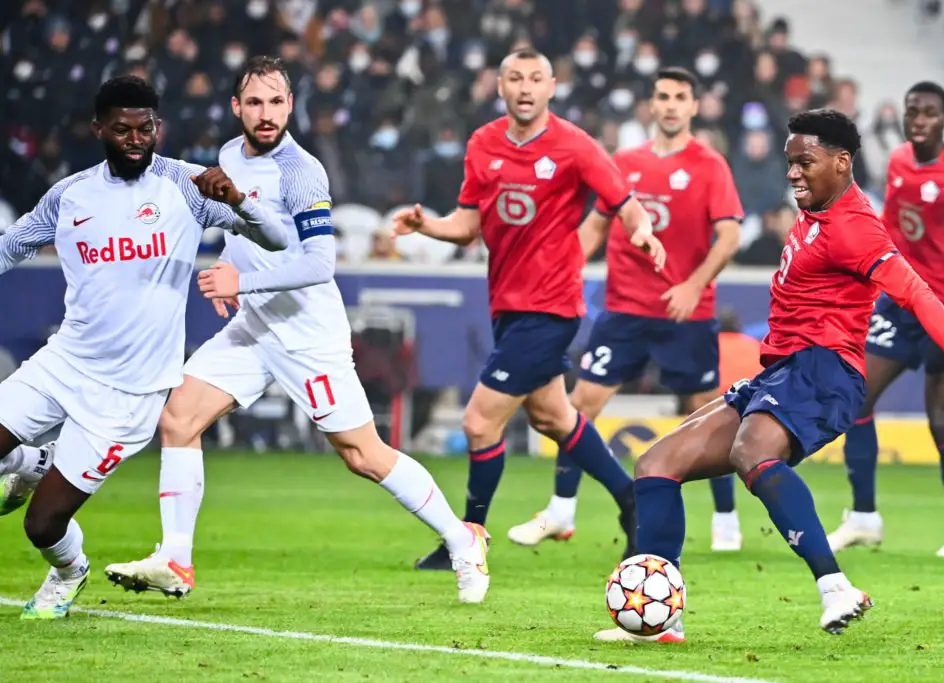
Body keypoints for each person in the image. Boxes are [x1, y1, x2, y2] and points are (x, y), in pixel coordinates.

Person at [593, 108, 944, 643]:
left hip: (824, 370)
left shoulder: (856, 227)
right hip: (782, 371)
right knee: (655, 465)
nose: (793, 173)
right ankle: (661, 618)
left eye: (805, 162)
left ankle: (835, 587)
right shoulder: (814, 210)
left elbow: (918, 294)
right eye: (790, 162)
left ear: (842, 162)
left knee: (752, 451)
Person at [100, 57, 490, 604]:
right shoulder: (229, 156)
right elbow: (244, 227)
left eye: (276, 102)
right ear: (236, 107)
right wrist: (233, 271)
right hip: (255, 328)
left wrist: (242, 281)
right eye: (254, 102)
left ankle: (462, 538)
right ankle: (175, 560)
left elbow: (320, 263)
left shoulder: (302, 171)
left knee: (362, 455)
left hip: (307, 334)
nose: (266, 113)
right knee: (179, 418)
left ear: (290, 106)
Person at [0, 74, 294, 619]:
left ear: (157, 127)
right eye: (122, 130)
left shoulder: (189, 186)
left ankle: (69, 570)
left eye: (145, 128)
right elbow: (12, 245)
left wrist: (240, 200)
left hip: (130, 394)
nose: (136, 140)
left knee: (41, 524)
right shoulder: (70, 195)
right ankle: (32, 459)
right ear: (99, 130)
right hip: (65, 363)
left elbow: (277, 238)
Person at [392, 48, 665, 571]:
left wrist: (643, 230)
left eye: (535, 78)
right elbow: (468, 226)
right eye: (515, 78)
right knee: (552, 416)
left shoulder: (574, 144)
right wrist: (427, 226)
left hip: (551, 304)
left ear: (551, 86)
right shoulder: (483, 143)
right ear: (500, 86)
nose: (525, 87)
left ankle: (466, 540)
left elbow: (624, 203)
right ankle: (632, 500)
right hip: (507, 304)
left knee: (478, 422)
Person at [506, 67, 746, 553]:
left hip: (685, 312)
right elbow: (596, 225)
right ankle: (561, 510)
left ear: (694, 106)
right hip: (624, 311)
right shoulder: (625, 162)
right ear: (651, 105)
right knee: (579, 407)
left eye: (680, 96)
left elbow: (729, 236)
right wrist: (559, 270)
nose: (671, 104)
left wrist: (692, 285)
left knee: (706, 414)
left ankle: (726, 518)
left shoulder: (710, 165)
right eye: (663, 96)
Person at [829, 82, 944, 558]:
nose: (920, 120)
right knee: (856, 398)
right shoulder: (899, 162)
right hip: (903, 301)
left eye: (929, 112)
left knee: (942, 421)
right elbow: (891, 228)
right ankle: (864, 518)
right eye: (913, 112)